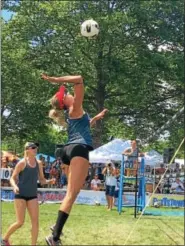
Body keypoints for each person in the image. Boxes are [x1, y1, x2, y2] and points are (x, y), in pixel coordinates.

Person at [41, 73, 108, 245]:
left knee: (72, 193)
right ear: (65, 101)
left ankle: (56, 226)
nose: (69, 93)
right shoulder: (75, 106)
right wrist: (55, 80)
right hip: (79, 150)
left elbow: (84, 127)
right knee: (71, 194)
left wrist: (96, 118)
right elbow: (79, 79)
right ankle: (54, 238)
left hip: (68, 150)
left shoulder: (73, 113)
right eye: (65, 94)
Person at [2, 142, 55, 246]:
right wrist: (14, 186)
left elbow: (42, 180)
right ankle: (4, 239)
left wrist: (49, 181)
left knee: (35, 222)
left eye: (36, 147)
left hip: (32, 196)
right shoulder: (22, 163)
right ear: (27, 150)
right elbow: (12, 178)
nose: (36, 149)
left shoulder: (39, 163)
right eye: (33, 147)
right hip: (20, 195)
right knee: (20, 222)